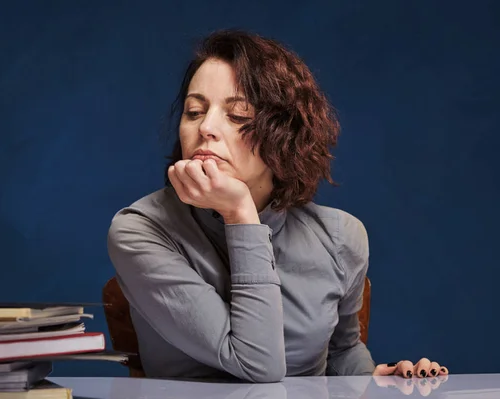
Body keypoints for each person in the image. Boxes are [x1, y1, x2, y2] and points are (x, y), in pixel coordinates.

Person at [107, 29, 448, 383]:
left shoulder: (341, 237)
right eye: (194, 111)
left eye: (237, 115)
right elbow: (257, 364)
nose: (205, 127)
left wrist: (381, 381)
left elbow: (342, 352)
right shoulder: (140, 230)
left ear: (283, 133)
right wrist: (239, 213)